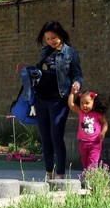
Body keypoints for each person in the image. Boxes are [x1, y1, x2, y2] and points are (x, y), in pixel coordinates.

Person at [16, 20, 82, 180]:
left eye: (53, 37)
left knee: (56, 136)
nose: (51, 41)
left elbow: (78, 74)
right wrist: (28, 70)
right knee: (45, 137)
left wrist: (77, 83)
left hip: (59, 100)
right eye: (47, 38)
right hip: (41, 99)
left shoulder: (70, 53)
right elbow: (40, 71)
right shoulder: (44, 51)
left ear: (61, 35)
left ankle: (60, 173)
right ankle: (48, 173)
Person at [68, 90, 109, 170]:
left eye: (87, 103)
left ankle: (91, 176)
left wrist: (103, 132)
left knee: (93, 161)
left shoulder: (98, 114)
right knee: (84, 161)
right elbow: (71, 105)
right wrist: (72, 93)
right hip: (83, 142)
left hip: (95, 143)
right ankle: (86, 174)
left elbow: (105, 123)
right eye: (82, 103)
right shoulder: (81, 112)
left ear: (94, 102)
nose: (84, 105)